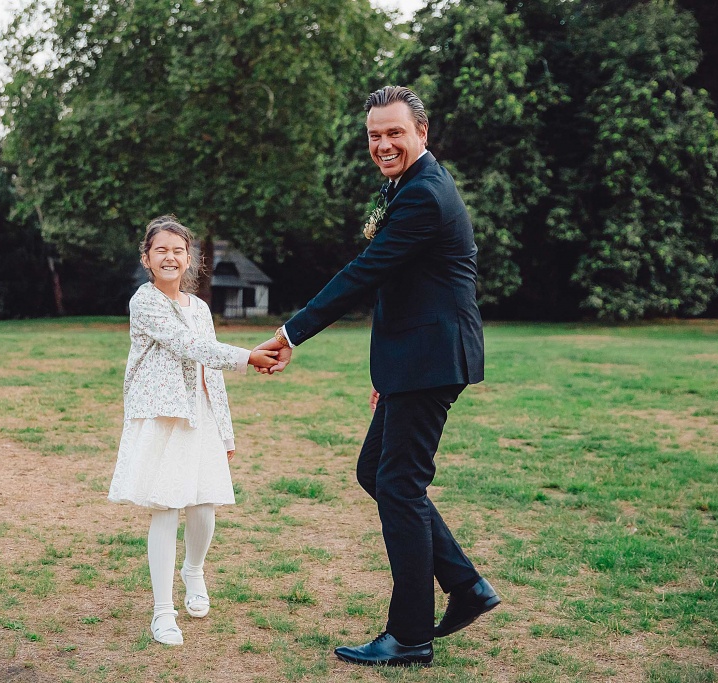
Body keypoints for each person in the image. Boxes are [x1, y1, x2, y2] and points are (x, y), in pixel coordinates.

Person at [255, 86, 500, 667]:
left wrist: (290, 334)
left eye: (395, 132)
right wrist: (390, 372)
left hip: (433, 358)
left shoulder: (423, 195)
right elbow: (400, 282)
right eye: (374, 135)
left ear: (422, 132)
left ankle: (410, 634)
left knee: (399, 485)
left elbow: (365, 273)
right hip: (415, 359)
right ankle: (465, 585)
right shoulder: (408, 185)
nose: (383, 144)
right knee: (378, 473)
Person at [108, 215, 279, 646]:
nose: (170, 257)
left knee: (204, 507)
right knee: (167, 508)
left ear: (190, 259)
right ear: (147, 258)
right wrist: (247, 356)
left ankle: (194, 570)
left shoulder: (200, 308)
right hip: (164, 416)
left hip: (202, 415)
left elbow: (209, 371)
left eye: (178, 250)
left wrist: (226, 430)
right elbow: (188, 346)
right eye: (160, 250)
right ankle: (163, 613)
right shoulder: (145, 302)